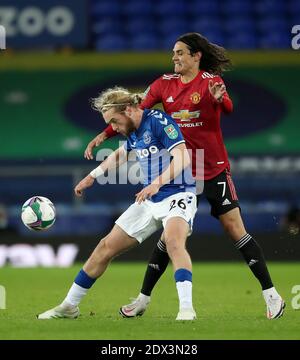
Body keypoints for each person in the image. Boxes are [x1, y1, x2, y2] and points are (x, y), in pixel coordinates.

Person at [84, 33, 285, 320]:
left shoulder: (211, 82)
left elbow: (227, 108)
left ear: (196, 56)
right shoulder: (163, 85)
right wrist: (103, 135)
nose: (175, 58)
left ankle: (272, 296)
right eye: (173, 53)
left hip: (212, 167)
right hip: (180, 173)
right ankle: (142, 300)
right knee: (170, 238)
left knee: (234, 230)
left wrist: (219, 101)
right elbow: (130, 112)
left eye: (180, 53)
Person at [37, 87, 198, 321]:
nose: (113, 127)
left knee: (173, 243)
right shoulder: (131, 130)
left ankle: (186, 309)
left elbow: (184, 157)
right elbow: (121, 155)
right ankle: (69, 306)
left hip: (178, 194)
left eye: (114, 121)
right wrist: (92, 176)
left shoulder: (159, 122)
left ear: (130, 110)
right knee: (105, 247)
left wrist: (157, 183)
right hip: (149, 198)